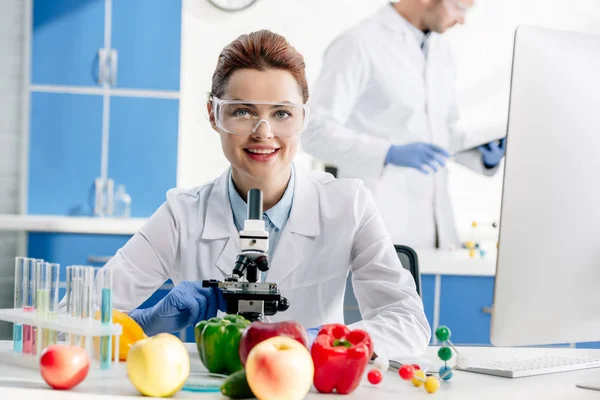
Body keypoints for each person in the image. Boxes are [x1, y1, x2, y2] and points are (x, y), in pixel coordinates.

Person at [91, 30, 430, 358]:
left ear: (303, 118)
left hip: (312, 387)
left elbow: (408, 324)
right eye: (242, 112)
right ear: (214, 114)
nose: (263, 133)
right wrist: (147, 322)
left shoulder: (347, 204)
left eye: (281, 113)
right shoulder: (181, 216)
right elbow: (71, 323)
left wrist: (319, 340)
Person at [301, 0, 506, 250]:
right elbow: (314, 131)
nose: (462, 20)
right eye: (459, 7)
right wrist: (387, 153)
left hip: (436, 228)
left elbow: (441, 135)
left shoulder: (442, 51)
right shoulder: (359, 43)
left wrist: (482, 156)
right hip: (381, 219)